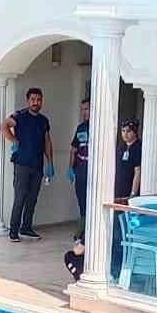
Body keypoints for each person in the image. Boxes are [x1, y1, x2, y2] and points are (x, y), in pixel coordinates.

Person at [2, 86, 53, 241]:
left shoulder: (44, 120)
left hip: (37, 165)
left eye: (39, 100)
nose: (36, 102)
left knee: (32, 199)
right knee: (20, 198)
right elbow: (3, 126)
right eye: (33, 99)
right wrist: (14, 141)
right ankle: (13, 232)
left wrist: (50, 163)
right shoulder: (20, 116)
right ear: (28, 101)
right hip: (22, 164)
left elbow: (47, 142)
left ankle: (26, 228)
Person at [68, 95, 90, 227]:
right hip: (80, 168)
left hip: (93, 169)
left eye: (86, 109)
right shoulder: (81, 127)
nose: (84, 112)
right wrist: (70, 168)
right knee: (81, 199)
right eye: (82, 109)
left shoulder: (100, 127)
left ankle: (91, 228)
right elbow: (73, 149)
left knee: (91, 201)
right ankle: (83, 228)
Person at [115, 118, 142, 200]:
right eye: (123, 131)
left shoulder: (138, 147)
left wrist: (133, 193)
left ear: (135, 132)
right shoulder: (121, 146)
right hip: (118, 189)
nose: (125, 134)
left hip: (129, 191)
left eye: (128, 131)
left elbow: (138, 171)